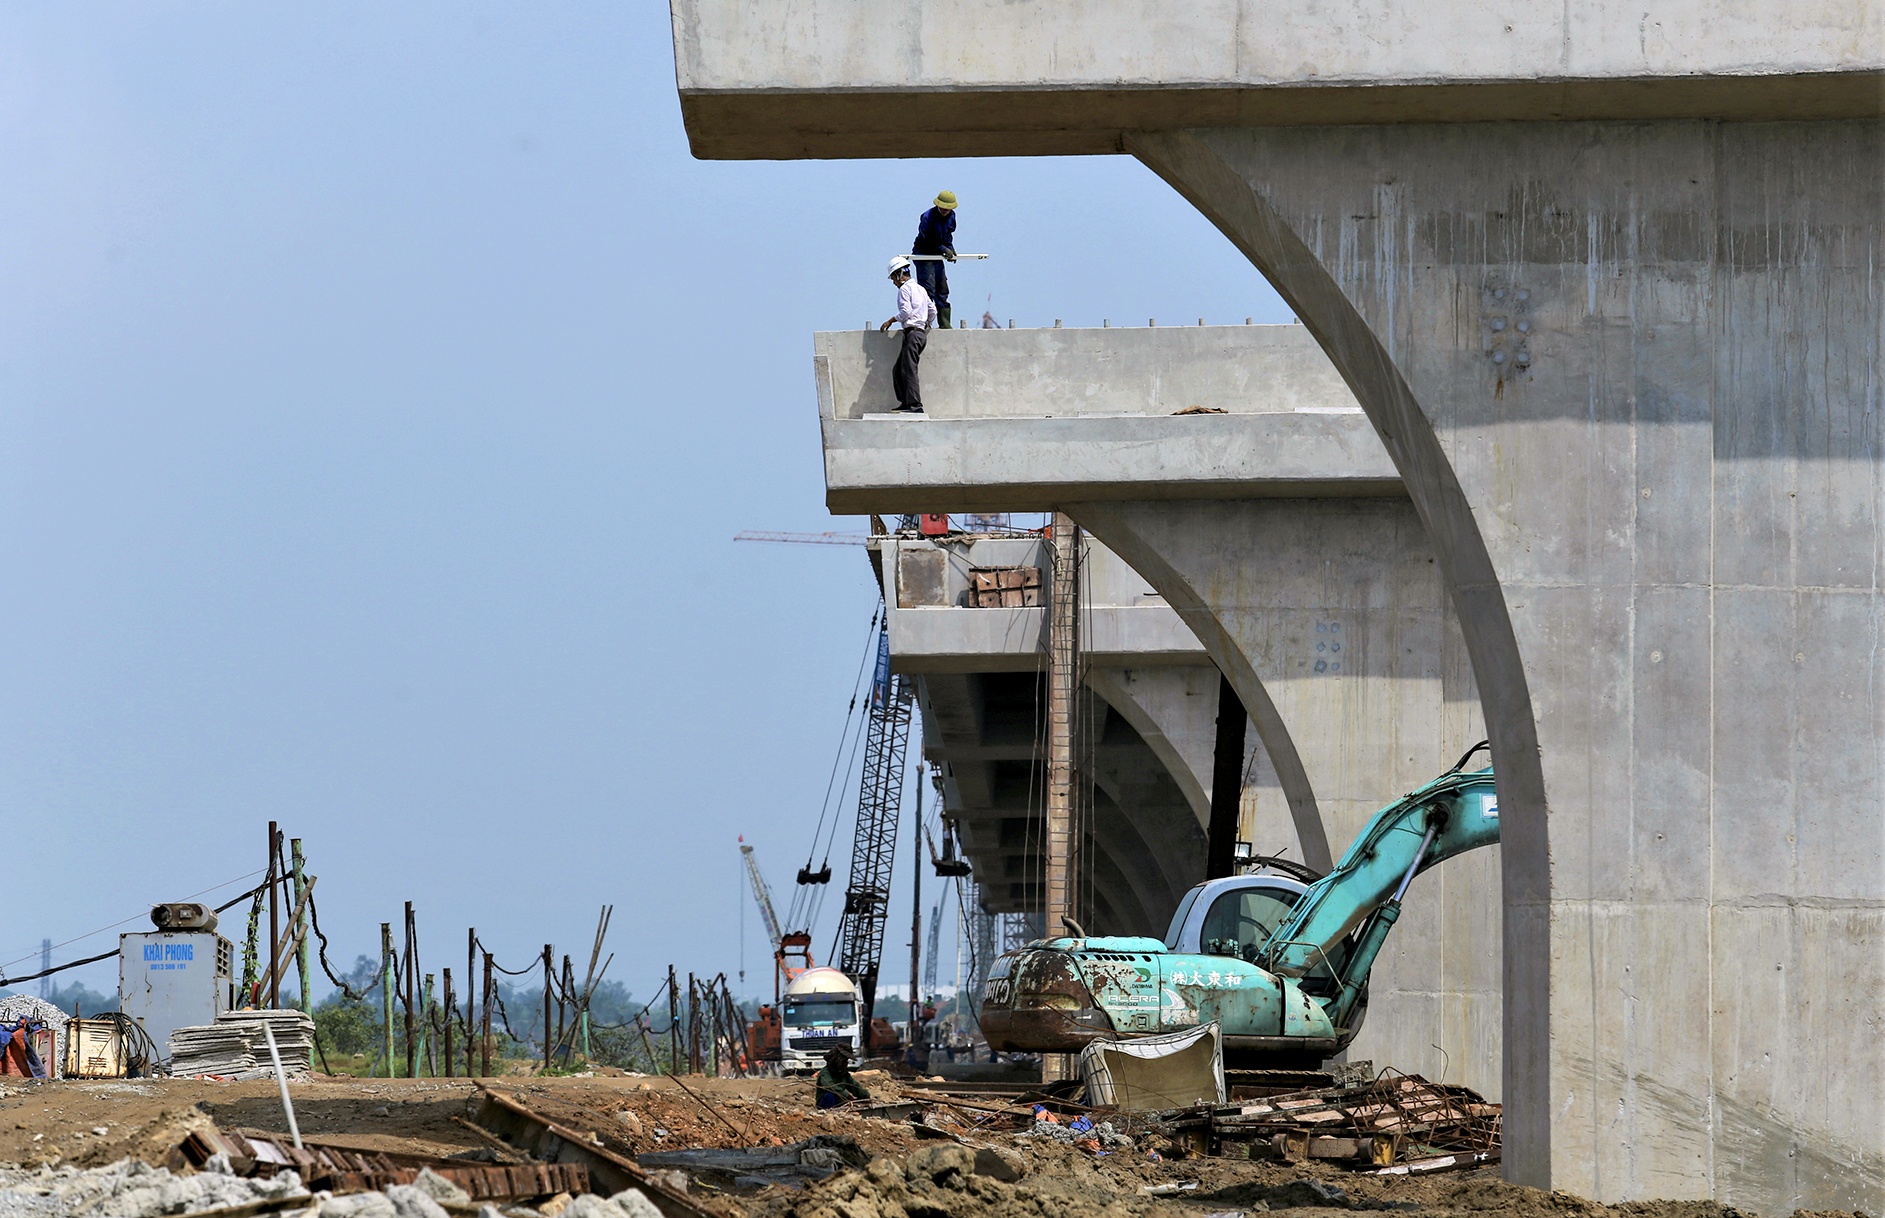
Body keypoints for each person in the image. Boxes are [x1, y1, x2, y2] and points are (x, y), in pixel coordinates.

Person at [879, 255, 935, 413]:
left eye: (894, 279)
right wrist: (926, 325)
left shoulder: (904, 289)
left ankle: (915, 406)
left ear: (899, 274)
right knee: (898, 370)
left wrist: (890, 321)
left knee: (909, 369)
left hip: (912, 334)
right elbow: (933, 311)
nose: (894, 283)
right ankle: (905, 402)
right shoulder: (921, 289)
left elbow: (906, 312)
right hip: (919, 334)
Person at [910, 190, 957, 329]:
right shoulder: (927, 217)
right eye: (943, 208)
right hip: (924, 255)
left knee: (942, 289)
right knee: (928, 289)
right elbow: (927, 239)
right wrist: (944, 249)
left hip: (937, 256)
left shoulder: (952, 216)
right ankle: (924, 322)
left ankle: (945, 324)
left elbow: (948, 235)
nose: (945, 211)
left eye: (947, 209)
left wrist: (950, 248)